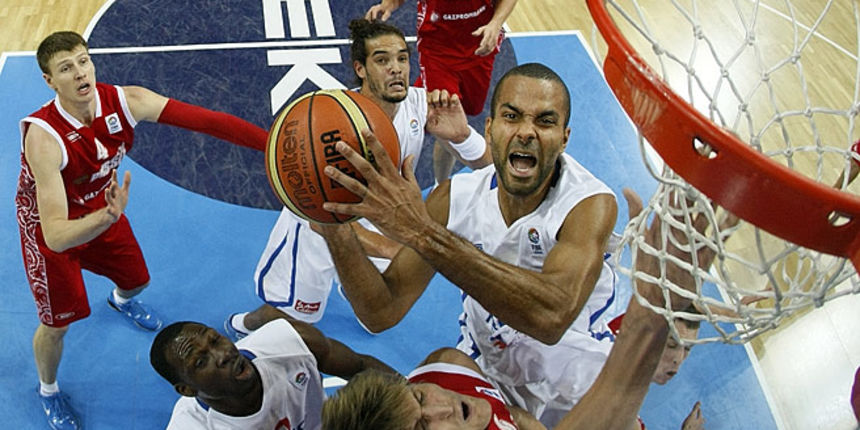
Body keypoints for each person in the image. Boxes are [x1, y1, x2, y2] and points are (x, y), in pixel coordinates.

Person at [316, 62, 619, 426]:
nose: (526, 132)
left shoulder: (589, 204)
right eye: (512, 116)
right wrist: (333, 226)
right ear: (490, 128)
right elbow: (381, 311)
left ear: (565, 137)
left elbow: (551, 317)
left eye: (545, 121)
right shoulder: (454, 198)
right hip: (490, 362)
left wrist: (422, 232)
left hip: (575, 372)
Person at [18, 31, 268, 430]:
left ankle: (120, 300)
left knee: (137, 281)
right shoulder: (44, 138)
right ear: (50, 81)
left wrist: (270, 145)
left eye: (83, 60)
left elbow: (209, 122)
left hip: (104, 208)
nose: (80, 72)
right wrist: (104, 218)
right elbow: (56, 236)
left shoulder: (126, 100)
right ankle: (48, 390)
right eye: (66, 68)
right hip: (53, 231)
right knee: (57, 323)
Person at [320, 188, 723, 430]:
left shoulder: (446, 370)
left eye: (421, 399)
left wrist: (330, 222)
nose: (442, 404)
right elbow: (612, 398)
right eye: (424, 428)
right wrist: (652, 308)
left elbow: (515, 414)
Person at [224, 18, 492, 337]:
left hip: (382, 220)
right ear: (361, 69)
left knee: (375, 316)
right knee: (294, 315)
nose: (396, 68)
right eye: (382, 60)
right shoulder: (331, 125)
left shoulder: (421, 105)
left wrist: (462, 137)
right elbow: (322, 217)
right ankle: (244, 325)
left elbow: (490, 172)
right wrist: (396, 247)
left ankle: (349, 283)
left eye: (402, 58)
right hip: (321, 225)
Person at [366, 0, 519, 184]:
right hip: (437, 52)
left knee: (452, 120)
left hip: (478, 49)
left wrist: (496, 23)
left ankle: (443, 182)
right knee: (440, 117)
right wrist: (387, 5)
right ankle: (431, 183)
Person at [149, 317, 395, 429]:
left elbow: (361, 366)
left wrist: (414, 399)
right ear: (187, 389)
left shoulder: (288, 341)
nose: (223, 354)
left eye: (216, 340)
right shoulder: (191, 426)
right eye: (201, 361)